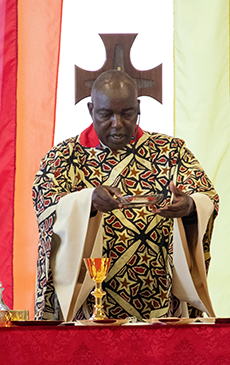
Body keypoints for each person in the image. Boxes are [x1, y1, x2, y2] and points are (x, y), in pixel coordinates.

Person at [32, 70, 219, 321]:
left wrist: (190, 206)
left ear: (138, 108)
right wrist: (87, 202)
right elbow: (45, 204)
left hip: (159, 301)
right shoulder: (64, 157)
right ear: (91, 110)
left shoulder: (170, 152)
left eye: (127, 113)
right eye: (106, 114)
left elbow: (206, 195)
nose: (117, 123)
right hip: (88, 306)